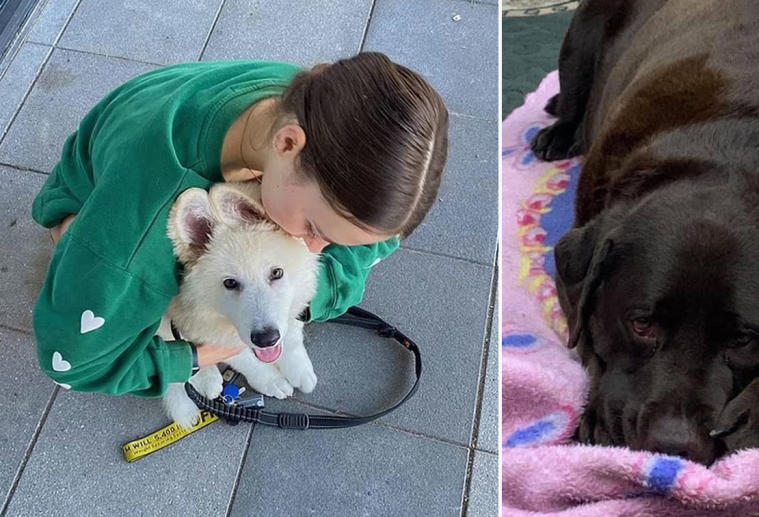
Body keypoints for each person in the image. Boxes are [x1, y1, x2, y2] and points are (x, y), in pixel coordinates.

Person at [32, 52, 448, 396]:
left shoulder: (310, 103)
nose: (313, 250)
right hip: (107, 202)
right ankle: (73, 243)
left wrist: (309, 296)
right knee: (113, 289)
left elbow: (372, 240)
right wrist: (197, 356)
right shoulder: (136, 232)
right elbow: (73, 365)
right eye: (314, 230)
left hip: (152, 115)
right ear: (287, 143)